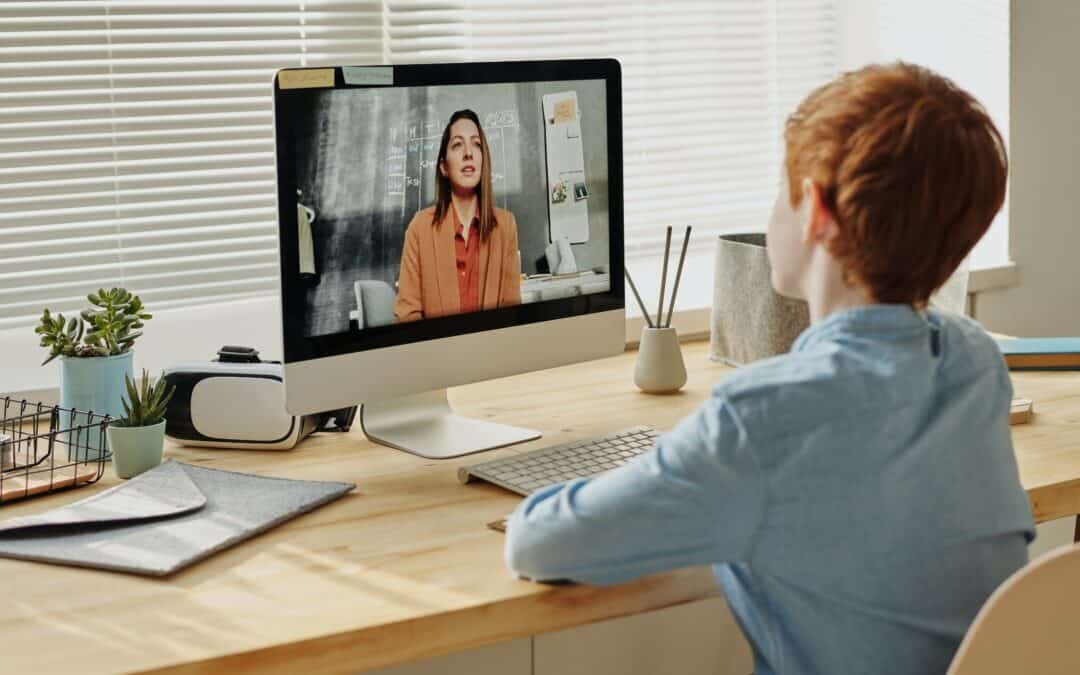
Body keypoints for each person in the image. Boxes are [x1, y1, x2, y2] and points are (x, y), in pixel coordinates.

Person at [503, 63, 1035, 675]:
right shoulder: (973, 361)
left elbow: (538, 543)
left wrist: (671, 468)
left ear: (815, 211)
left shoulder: (760, 421)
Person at [394, 109, 522, 322]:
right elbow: (408, 317)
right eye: (457, 145)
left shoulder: (505, 226)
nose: (468, 153)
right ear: (444, 166)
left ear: (484, 161)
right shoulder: (419, 228)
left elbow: (512, 314)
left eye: (476, 144)